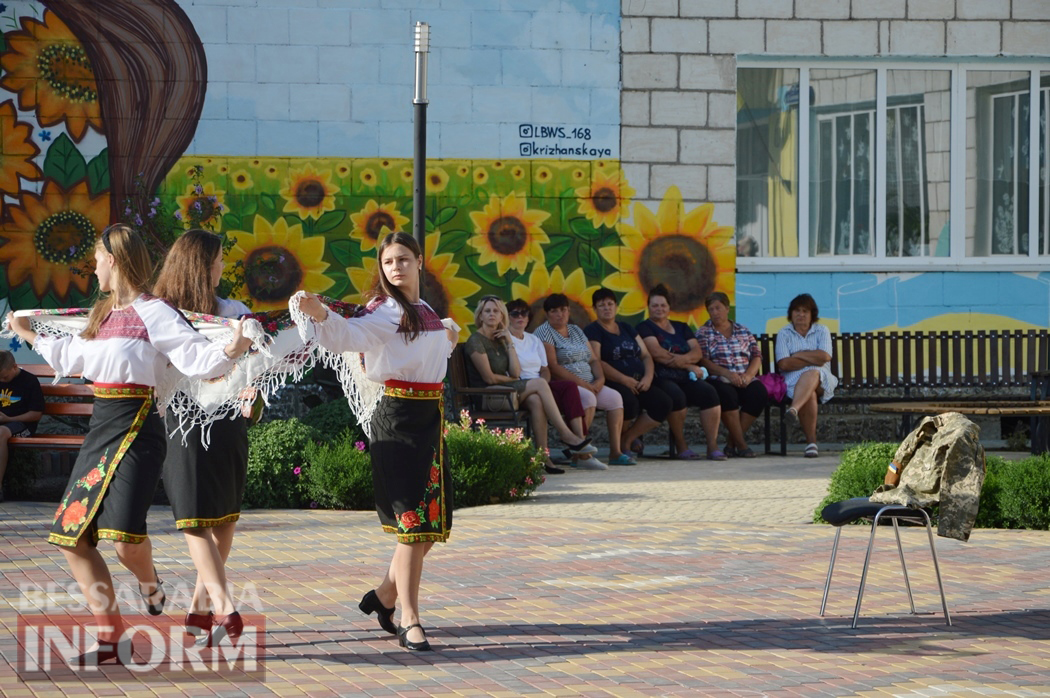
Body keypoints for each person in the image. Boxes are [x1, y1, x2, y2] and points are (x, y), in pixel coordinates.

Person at [6, 224, 253, 666]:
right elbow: (74, 357)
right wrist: (28, 333)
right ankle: (111, 638)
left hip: (140, 429)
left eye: (98, 258)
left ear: (114, 259)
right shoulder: (102, 314)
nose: (94, 266)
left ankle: (149, 581)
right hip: (101, 428)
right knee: (71, 539)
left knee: (122, 540)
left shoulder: (155, 312)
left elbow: (196, 358)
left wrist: (234, 348)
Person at [296, 231, 456, 652]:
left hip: (429, 419)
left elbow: (431, 356)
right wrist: (320, 315)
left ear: (420, 262)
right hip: (399, 419)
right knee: (411, 527)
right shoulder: (384, 309)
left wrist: (449, 338)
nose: (396, 267)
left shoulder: (425, 310)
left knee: (424, 530)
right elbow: (350, 337)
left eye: (403, 259)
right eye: (388, 262)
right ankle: (410, 618)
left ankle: (384, 598)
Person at [152, 229, 254, 645]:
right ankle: (225, 606)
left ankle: (198, 610)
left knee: (224, 517)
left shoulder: (235, 310)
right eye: (216, 261)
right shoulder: (161, 313)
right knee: (193, 516)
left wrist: (252, 380)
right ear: (198, 266)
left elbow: (256, 359)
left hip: (228, 417)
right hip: (182, 419)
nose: (222, 268)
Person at [464, 296, 596, 474]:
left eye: (495, 311)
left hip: (507, 393)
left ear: (501, 315)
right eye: (487, 311)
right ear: (480, 315)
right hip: (489, 396)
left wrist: (509, 343)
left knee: (536, 400)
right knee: (540, 384)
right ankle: (566, 434)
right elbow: (489, 378)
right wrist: (513, 381)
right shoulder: (476, 341)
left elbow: (516, 372)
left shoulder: (500, 338)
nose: (492, 315)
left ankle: (543, 457)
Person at [534, 293, 634, 466]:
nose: (560, 314)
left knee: (615, 398)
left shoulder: (576, 330)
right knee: (588, 398)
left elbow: (594, 359)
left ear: (569, 310)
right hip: (566, 386)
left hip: (590, 383)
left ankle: (615, 453)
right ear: (547, 314)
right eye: (555, 311)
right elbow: (554, 367)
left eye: (563, 310)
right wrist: (584, 385)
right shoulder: (544, 332)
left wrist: (600, 379)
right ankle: (581, 454)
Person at [584, 288, 682, 459]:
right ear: (595, 309)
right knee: (629, 403)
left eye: (610, 304)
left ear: (616, 306)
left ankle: (627, 438)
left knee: (664, 402)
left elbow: (645, 355)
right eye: (601, 305)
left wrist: (648, 377)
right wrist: (624, 380)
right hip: (613, 381)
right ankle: (621, 445)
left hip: (639, 381)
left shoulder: (627, 328)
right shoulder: (593, 330)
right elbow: (597, 361)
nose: (607, 308)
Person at [635, 285, 725, 460]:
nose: (659, 309)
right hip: (660, 376)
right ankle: (681, 445)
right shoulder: (645, 327)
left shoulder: (682, 327)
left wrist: (683, 363)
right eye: (655, 305)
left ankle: (712, 446)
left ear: (669, 307)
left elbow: (697, 353)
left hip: (685, 377)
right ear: (649, 307)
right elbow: (656, 353)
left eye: (663, 305)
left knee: (709, 393)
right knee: (677, 396)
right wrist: (688, 365)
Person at [505, 299, 596, 470]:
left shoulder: (533, 340)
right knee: (538, 395)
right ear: (507, 317)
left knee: (568, 387)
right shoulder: (505, 338)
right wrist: (540, 384)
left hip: (539, 387)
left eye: (523, 313)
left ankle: (573, 444)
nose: (520, 317)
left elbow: (545, 369)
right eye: (515, 314)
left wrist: (544, 383)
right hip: (518, 387)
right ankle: (565, 439)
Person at [695, 291, 767, 458]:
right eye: (711, 309)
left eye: (718, 308)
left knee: (758, 394)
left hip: (744, 377)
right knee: (727, 395)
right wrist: (726, 373)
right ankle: (741, 444)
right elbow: (703, 360)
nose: (715, 313)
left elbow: (757, 355)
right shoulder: (704, 332)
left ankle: (730, 443)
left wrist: (749, 375)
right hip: (719, 378)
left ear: (727, 309)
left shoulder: (742, 330)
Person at [775, 293, 838, 458]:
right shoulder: (784, 333)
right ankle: (811, 443)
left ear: (812, 315)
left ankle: (794, 409)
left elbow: (824, 357)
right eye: (796, 311)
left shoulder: (821, 330)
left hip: (822, 379)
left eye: (805, 311)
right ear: (791, 314)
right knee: (808, 393)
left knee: (812, 373)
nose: (800, 315)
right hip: (793, 381)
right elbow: (783, 364)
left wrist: (797, 355)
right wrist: (812, 357)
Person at [0, 350, 45, 503]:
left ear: (14, 366)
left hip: (22, 424)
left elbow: (35, 414)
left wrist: (9, 418)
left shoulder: (29, 381)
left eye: (4, 377)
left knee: (0, 433)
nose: (2, 380)